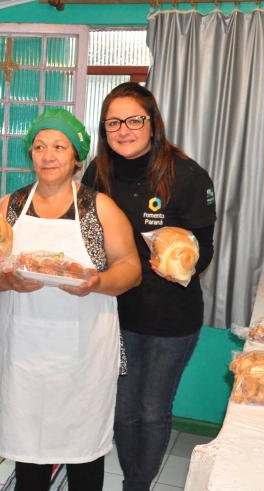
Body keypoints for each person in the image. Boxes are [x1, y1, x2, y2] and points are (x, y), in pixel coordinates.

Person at [0, 109, 142, 491]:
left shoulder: (99, 209)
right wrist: (6, 280)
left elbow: (131, 269)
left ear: (76, 156)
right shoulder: (9, 207)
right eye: (39, 147)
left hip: (83, 357)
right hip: (24, 356)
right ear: (30, 153)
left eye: (59, 147)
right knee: (28, 454)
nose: (48, 156)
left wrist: (97, 282)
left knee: (84, 455)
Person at [82, 82, 216, 491]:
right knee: (123, 409)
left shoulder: (187, 176)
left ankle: (137, 485)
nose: (123, 130)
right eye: (113, 123)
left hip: (171, 318)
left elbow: (205, 248)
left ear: (152, 123)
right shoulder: (97, 173)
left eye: (134, 120)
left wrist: (181, 265)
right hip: (117, 313)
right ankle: (132, 478)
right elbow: (84, 236)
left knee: (153, 409)